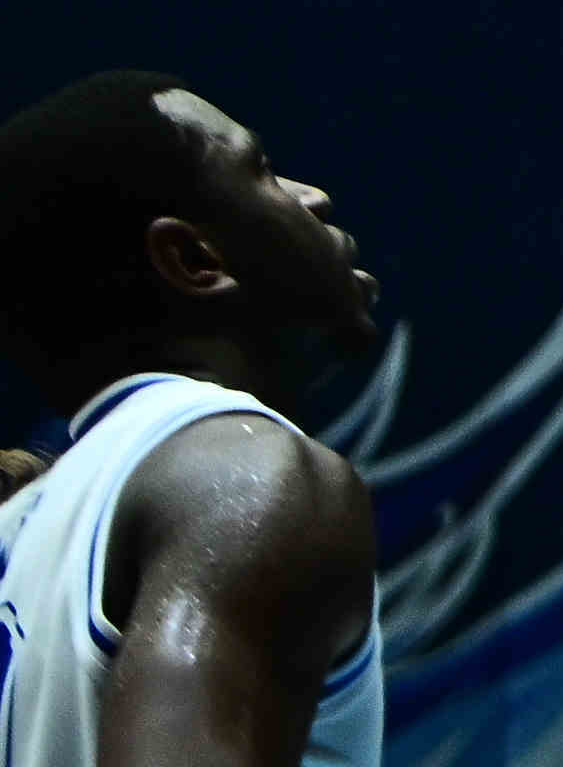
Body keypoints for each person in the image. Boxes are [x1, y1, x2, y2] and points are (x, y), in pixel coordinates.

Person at [0, 72, 387, 767]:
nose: (312, 196)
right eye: (262, 171)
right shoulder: (245, 473)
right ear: (193, 260)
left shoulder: (24, 528)